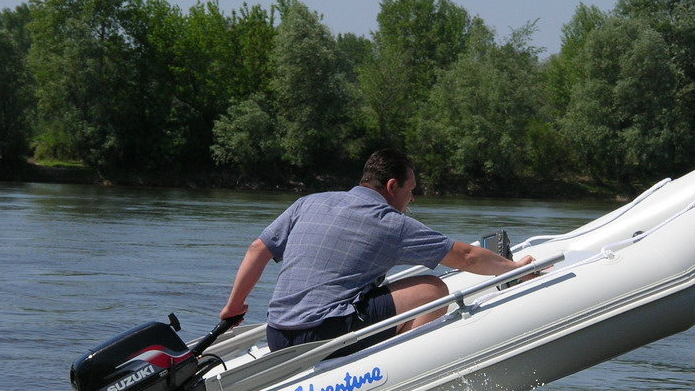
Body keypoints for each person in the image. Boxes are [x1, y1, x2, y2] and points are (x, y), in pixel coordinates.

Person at [219, 149, 535, 355]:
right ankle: (397, 369)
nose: (412, 199)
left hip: (278, 335)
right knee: (432, 288)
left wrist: (233, 307)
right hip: (325, 334)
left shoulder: (309, 202)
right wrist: (517, 269)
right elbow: (466, 256)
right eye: (411, 191)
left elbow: (257, 249)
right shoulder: (391, 222)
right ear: (392, 186)